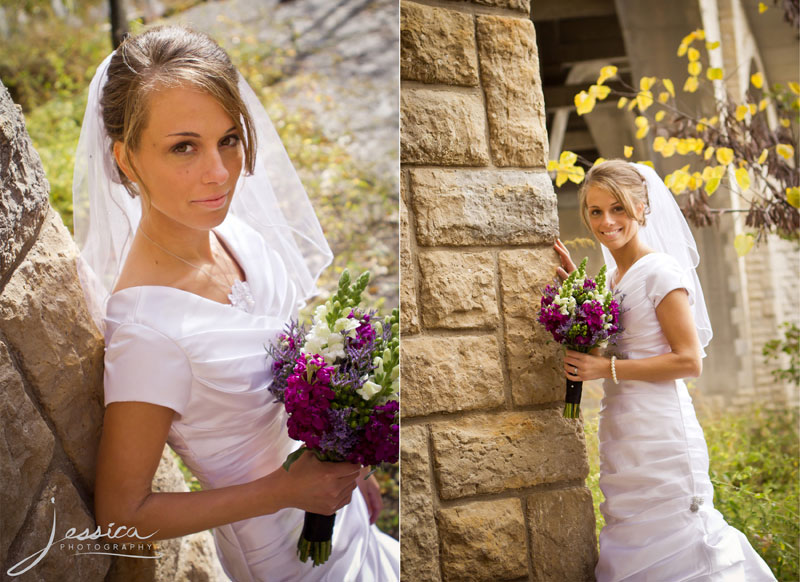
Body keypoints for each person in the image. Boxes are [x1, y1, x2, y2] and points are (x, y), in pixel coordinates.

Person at [73, 25, 399, 582]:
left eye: (228, 138)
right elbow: (121, 518)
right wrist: (287, 490)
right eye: (183, 147)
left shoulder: (236, 235)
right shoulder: (149, 330)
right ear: (125, 160)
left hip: (338, 515)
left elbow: (302, 373)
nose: (220, 173)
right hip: (281, 558)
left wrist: (346, 451)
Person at [553, 159, 776, 581]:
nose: (607, 221)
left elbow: (689, 360)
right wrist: (574, 296)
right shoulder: (616, 276)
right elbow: (616, 343)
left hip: (661, 428)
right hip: (623, 427)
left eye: (618, 208)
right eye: (595, 211)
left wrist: (604, 368)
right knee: (633, 531)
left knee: (677, 535)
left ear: (642, 207)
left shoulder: (661, 271)